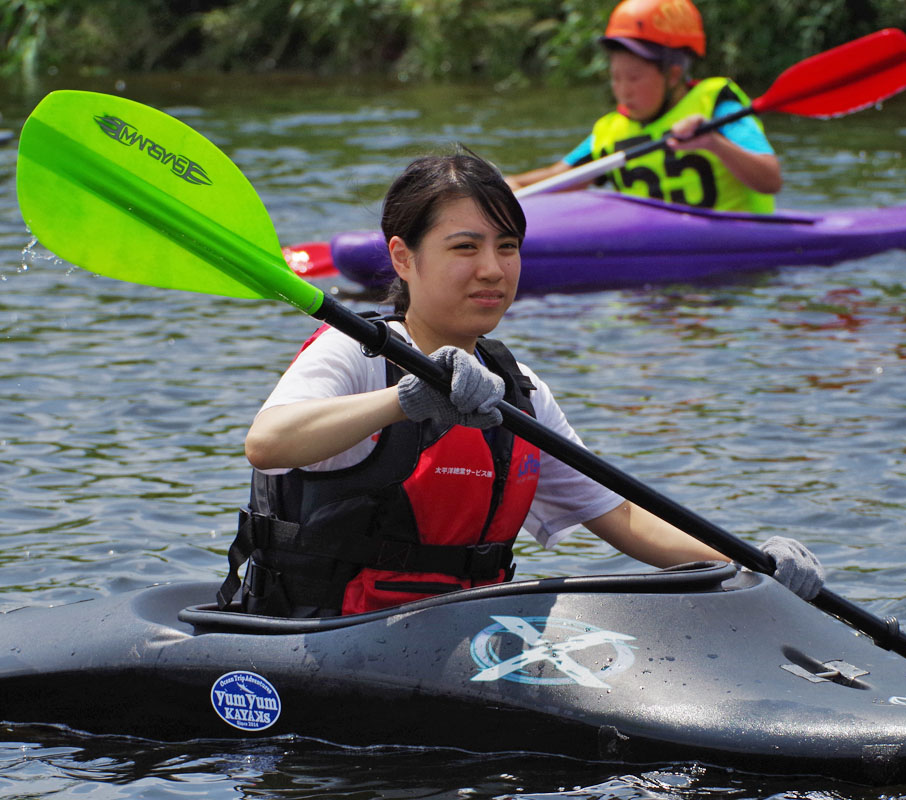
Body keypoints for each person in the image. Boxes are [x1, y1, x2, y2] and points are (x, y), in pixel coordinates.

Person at [218, 150, 819, 618]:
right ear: (403, 257)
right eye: (465, 247)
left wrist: (753, 564)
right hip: (325, 632)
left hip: (458, 638)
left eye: (507, 248)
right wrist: (405, 401)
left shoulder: (519, 389)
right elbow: (267, 443)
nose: (492, 269)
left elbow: (625, 520)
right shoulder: (358, 352)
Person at [505, 0, 781, 213]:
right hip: (657, 257)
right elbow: (561, 178)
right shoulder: (611, 131)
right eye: (616, 77)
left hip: (737, 256)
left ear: (672, 75)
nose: (623, 90)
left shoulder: (716, 108)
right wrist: (509, 185)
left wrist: (714, 143)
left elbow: (771, 180)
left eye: (634, 77)